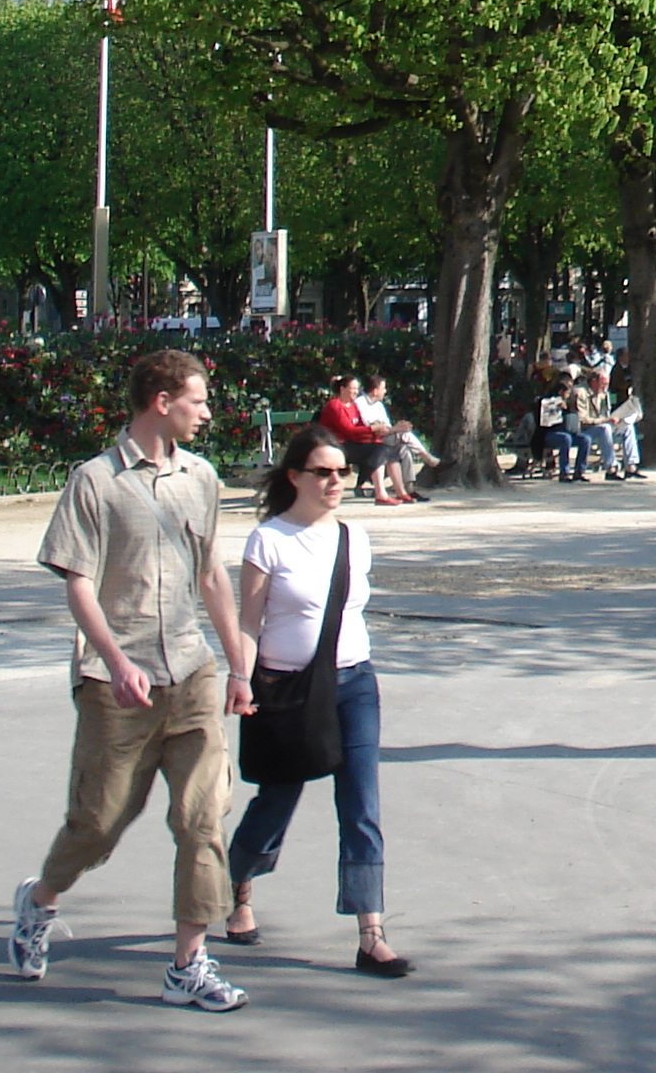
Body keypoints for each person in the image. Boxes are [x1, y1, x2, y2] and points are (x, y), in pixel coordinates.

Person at [10, 351, 258, 1010]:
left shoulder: (200, 479)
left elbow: (212, 577)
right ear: (160, 401)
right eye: (197, 400)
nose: (207, 412)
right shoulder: (95, 481)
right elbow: (79, 584)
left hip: (190, 672)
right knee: (98, 823)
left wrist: (238, 665)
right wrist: (115, 661)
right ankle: (39, 901)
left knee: (201, 820)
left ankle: (187, 966)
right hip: (114, 684)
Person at [221, 426, 409, 977]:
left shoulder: (354, 537)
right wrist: (241, 677)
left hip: (353, 682)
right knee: (277, 800)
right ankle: (236, 885)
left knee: (361, 802)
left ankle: (370, 931)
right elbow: (249, 624)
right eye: (323, 472)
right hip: (287, 687)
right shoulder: (269, 540)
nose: (335, 481)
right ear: (295, 477)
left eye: (342, 471)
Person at [351, 373, 412, 506]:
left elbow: (385, 425)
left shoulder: (379, 405)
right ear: (375, 390)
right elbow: (367, 426)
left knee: (401, 449)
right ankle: (384, 494)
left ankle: (402, 491)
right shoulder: (358, 403)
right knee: (388, 448)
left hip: (380, 436)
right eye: (383, 388)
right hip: (363, 439)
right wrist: (390, 428)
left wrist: (390, 428)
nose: (385, 391)